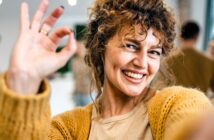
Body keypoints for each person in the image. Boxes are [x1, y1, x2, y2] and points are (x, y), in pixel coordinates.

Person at [0, 0, 213, 140]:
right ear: (101, 47)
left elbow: (192, 120)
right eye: (131, 45)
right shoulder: (68, 128)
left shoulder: (175, 104)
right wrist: (23, 82)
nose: (142, 62)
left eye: (154, 52)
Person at [152, 21, 214, 95]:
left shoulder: (168, 61)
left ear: (180, 36)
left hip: (175, 105)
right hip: (201, 105)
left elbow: (158, 89)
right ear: (197, 37)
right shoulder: (209, 62)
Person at [71, 40, 95, 106]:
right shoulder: (74, 61)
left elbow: (94, 77)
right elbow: (75, 78)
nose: (76, 49)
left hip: (88, 94)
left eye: (78, 47)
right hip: (77, 93)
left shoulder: (89, 61)